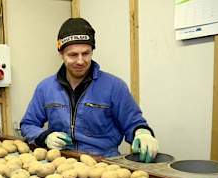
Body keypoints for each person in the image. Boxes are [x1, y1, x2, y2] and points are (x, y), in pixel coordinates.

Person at [20, 17, 158, 162]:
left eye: (86, 53)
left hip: (104, 164)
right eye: (73, 55)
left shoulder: (114, 87)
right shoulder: (46, 87)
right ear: (61, 54)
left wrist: (143, 133)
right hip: (61, 163)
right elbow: (28, 124)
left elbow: (134, 123)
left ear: (92, 51)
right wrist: (45, 137)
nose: (80, 61)